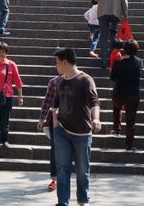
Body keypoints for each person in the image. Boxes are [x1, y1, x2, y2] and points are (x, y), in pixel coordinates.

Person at [51, 48, 101, 206]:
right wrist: (55, 122)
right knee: (62, 168)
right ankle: (62, 202)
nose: (56, 66)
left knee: (81, 170)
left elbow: (94, 102)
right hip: (62, 131)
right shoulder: (58, 81)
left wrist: (96, 119)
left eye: (57, 62)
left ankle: (82, 200)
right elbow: (56, 104)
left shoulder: (85, 80)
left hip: (82, 133)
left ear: (65, 62)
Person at [93, 0, 129, 67]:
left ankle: (103, 60)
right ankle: (112, 58)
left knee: (103, 36)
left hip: (102, 11)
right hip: (115, 12)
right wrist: (125, 11)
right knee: (113, 36)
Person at [110, 40, 142, 152]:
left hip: (119, 91)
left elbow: (112, 77)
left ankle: (116, 128)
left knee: (116, 107)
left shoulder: (119, 62)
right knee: (131, 120)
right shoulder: (139, 62)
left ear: (124, 49)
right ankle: (129, 144)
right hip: (133, 93)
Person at [37, 74, 62, 193]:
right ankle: (55, 179)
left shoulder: (79, 80)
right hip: (55, 121)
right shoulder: (54, 82)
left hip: (73, 121)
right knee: (55, 149)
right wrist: (42, 118)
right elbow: (47, 101)